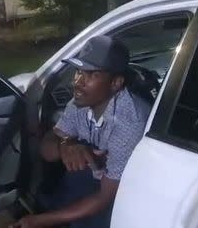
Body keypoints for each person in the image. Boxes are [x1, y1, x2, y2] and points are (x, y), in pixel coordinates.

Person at [11, 35, 151, 228]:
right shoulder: (80, 102)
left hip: (124, 192)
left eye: (92, 74)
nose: (77, 81)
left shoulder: (128, 122)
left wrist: (39, 221)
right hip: (94, 179)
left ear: (116, 83)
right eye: (78, 71)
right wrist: (65, 145)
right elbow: (47, 148)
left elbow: (104, 197)